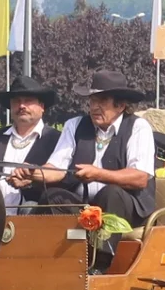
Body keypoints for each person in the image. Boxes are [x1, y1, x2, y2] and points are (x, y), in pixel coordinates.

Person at [9, 70, 156, 272]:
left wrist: (98, 174)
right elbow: (56, 168)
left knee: (111, 193)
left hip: (124, 208)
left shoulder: (139, 128)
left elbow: (140, 178)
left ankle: (100, 266)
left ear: (121, 105)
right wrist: (31, 175)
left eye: (102, 101)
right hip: (84, 206)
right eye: (92, 101)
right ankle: (53, 261)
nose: (95, 107)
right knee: (51, 196)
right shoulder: (75, 125)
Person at [0, 75, 61, 213]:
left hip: (36, 221)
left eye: (28, 101)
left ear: (42, 106)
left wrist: (32, 181)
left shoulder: (57, 140)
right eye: (16, 101)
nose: (21, 106)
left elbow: (64, 178)